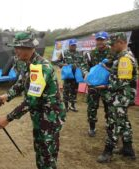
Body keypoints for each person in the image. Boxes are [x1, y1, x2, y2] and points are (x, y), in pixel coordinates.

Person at [0, 32, 66, 169]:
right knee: (40, 152)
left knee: (47, 156)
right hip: (40, 117)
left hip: (50, 117)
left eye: (18, 47)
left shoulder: (41, 67)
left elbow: (31, 100)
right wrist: (6, 96)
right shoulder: (28, 64)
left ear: (28, 48)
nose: (15, 51)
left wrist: (8, 118)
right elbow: (21, 84)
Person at [97, 32, 137, 163]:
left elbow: (121, 82)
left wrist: (105, 86)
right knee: (124, 122)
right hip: (122, 96)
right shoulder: (121, 57)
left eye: (113, 45)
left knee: (113, 123)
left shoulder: (125, 59)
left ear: (120, 42)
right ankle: (128, 149)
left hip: (120, 97)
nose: (112, 47)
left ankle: (108, 152)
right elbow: (120, 76)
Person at [86, 31, 113, 137]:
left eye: (102, 39)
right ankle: (92, 128)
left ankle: (109, 124)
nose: (100, 42)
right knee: (92, 106)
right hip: (93, 85)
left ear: (106, 40)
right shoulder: (92, 53)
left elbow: (116, 68)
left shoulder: (112, 53)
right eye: (98, 40)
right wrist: (85, 73)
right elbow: (86, 66)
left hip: (107, 85)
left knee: (109, 107)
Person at [56, 39, 88, 112]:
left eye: (74, 45)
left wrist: (84, 72)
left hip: (77, 76)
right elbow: (57, 62)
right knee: (66, 91)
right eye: (72, 45)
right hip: (68, 75)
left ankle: (72, 106)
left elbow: (84, 63)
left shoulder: (79, 53)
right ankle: (66, 106)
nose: (73, 46)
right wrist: (63, 65)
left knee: (74, 91)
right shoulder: (64, 53)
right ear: (69, 45)